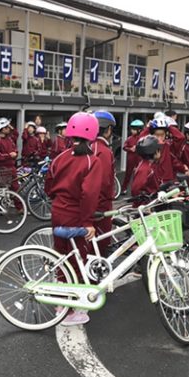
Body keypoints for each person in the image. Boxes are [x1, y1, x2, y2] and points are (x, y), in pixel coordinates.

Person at [44, 113, 102, 326]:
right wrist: (88, 222)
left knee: (62, 257)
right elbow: (89, 194)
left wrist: (56, 197)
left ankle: (61, 303)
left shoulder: (60, 157)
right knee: (77, 261)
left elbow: (48, 183)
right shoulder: (92, 161)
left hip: (57, 210)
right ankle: (69, 311)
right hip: (75, 214)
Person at [93, 111, 117, 252]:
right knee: (101, 245)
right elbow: (104, 182)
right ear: (108, 129)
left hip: (84, 203)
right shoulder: (104, 151)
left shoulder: (88, 146)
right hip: (100, 205)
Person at [149, 118, 189, 185]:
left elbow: (180, 137)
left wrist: (168, 126)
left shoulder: (168, 145)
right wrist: (148, 128)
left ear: (166, 134)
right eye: (157, 135)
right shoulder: (148, 146)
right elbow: (140, 140)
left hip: (168, 179)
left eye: (162, 135)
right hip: (154, 180)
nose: (160, 138)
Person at [130, 135, 163, 203]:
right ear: (155, 152)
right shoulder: (145, 169)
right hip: (146, 205)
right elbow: (135, 190)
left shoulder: (149, 165)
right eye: (159, 150)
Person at [122, 119, 144, 193]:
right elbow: (124, 147)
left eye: (134, 129)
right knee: (128, 174)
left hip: (139, 158)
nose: (132, 131)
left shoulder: (142, 138)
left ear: (139, 130)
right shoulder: (129, 138)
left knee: (138, 174)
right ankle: (124, 188)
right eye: (132, 129)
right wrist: (130, 149)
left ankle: (136, 189)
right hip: (131, 158)